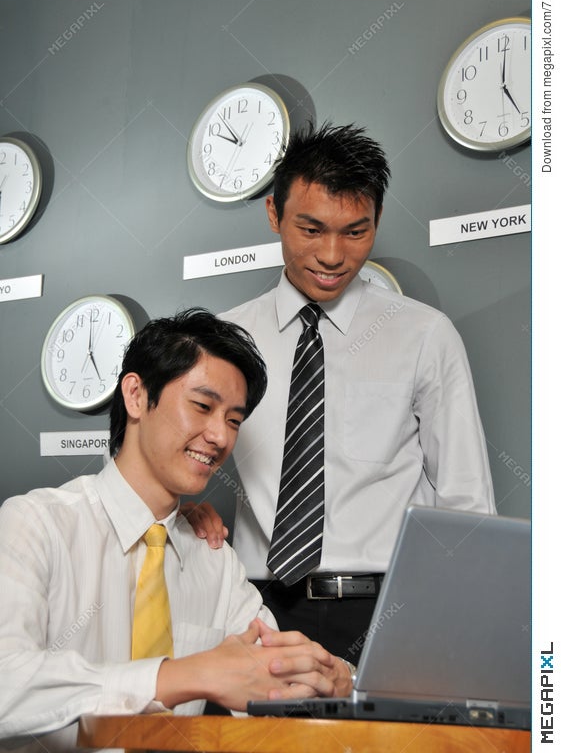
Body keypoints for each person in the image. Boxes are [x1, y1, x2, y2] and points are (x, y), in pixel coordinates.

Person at [187, 123, 497, 665]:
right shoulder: (223, 340)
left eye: (356, 232)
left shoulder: (425, 335)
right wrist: (183, 509)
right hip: (255, 610)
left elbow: (466, 503)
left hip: (389, 609)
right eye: (311, 229)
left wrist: (462, 629)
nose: (333, 255)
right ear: (273, 214)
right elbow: (159, 450)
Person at [0, 309, 352, 752]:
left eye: (234, 420)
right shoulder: (37, 524)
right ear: (135, 395)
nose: (220, 437)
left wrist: (340, 677)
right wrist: (188, 674)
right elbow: (7, 685)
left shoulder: (212, 555)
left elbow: (275, 679)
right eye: (203, 407)